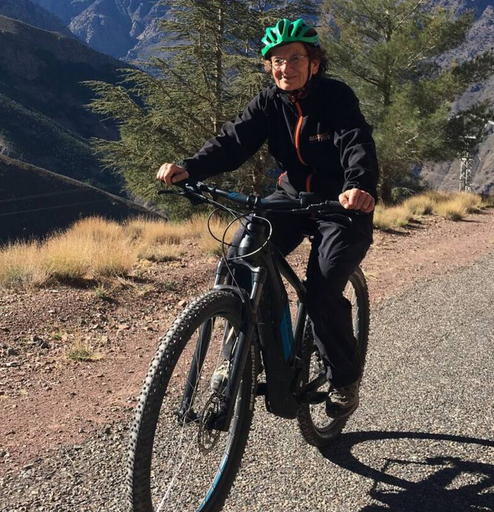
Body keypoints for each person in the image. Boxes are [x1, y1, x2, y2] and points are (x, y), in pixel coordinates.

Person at [156, 18, 379, 419]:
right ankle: (232, 360)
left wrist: (359, 186)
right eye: (276, 60)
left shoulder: (336, 97)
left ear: (314, 62)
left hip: (342, 206)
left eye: (295, 58)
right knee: (238, 258)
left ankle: (345, 379)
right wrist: (190, 168)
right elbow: (233, 142)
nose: (285, 67)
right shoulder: (268, 103)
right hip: (292, 198)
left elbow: (356, 142)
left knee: (321, 291)